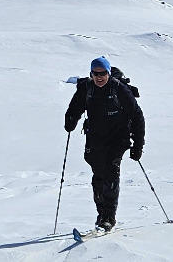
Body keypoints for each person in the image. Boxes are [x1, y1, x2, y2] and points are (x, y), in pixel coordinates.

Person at [64, 56, 143, 233]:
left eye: (103, 73)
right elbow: (75, 107)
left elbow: (137, 116)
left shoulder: (119, 89)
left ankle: (109, 218)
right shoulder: (86, 88)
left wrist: (138, 145)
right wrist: (70, 120)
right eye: (95, 73)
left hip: (118, 139)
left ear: (108, 73)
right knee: (98, 178)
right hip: (95, 139)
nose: (99, 77)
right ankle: (101, 214)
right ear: (91, 73)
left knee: (111, 175)